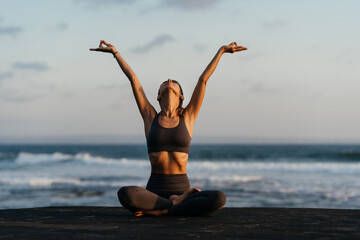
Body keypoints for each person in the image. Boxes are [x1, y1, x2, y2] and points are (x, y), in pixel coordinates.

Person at [90, 40, 247, 216]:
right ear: (158, 95)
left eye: (173, 82)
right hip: (154, 193)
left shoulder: (188, 117)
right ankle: (174, 205)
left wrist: (221, 51)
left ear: (181, 95)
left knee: (219, 198)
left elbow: (203, 80)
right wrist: (115, 53)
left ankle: (162, 211)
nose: (170, 80)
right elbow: (133, 80)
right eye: (165, 82)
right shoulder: (150, 117)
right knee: (125, 193)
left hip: (182, 190)